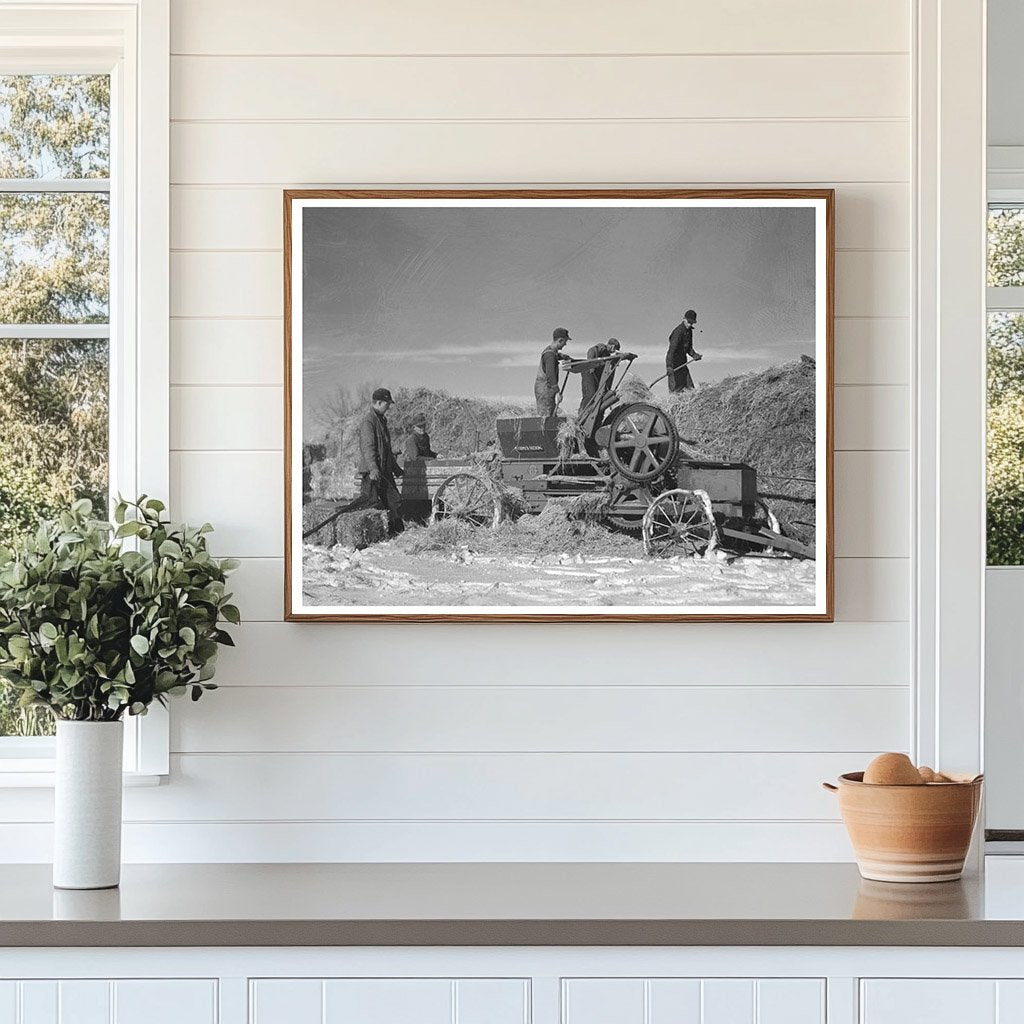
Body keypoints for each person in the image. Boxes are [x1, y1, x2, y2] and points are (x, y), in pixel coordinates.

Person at [357, 387, 403, 530]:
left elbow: (387, 450)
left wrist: (395, 468)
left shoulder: (382, 421)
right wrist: (373, 468)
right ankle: (373, 537)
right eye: (387, 403)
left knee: (394, 501)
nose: (389, 406)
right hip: (373, 472)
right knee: (372, 506)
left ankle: (396, 533)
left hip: (384, 470)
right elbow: (368, 447)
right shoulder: (368, 422)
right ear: (378, 402)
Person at [534, 327, 572, 416]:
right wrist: (558, 392)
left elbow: (556, 355)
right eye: (565, 341)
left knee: (551, 413)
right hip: (544, 388)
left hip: (546, 388)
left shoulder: (551, 351)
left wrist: (564, 357)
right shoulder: (549, 355)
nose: (565, 344)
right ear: (560, 340)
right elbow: (550, 375)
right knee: (546, 416)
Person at [666, 309, 702, 392]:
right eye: (688, 322)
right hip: (674, 365)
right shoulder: (678, 332)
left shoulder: (689, 332)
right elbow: (671, 351)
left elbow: (689, 348)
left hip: (682, 363)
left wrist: (694, 355)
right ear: (684, 319)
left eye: (692, 323)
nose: (689, 325)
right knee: (676, 391)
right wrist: (669, 366)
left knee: (690, 389)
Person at [580, 337, 621, 410]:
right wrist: (591, 364)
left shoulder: (607, 355)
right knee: (590, 394)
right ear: (612, 346)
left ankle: (590, 412)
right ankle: (582, 412)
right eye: (615, 349)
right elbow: (591, 350)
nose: (614, 351)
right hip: (589, 372)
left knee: (597, 395)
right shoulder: (602, 347)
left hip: (595, 375)